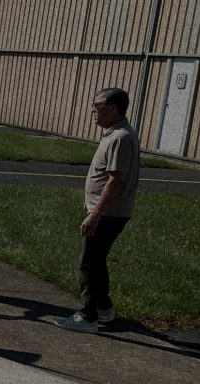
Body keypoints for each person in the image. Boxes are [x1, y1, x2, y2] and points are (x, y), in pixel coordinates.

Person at [56, 88, 141, 334]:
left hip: (108, 214)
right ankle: (104, 310)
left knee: (88, 265)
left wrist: (95, 214)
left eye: (98, 105)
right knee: (97, 261)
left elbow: (116, 180)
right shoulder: (114, 134)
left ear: (114, 109)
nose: (93, 110)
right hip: (107, 212)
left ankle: (88, 316)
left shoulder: (120, 137)